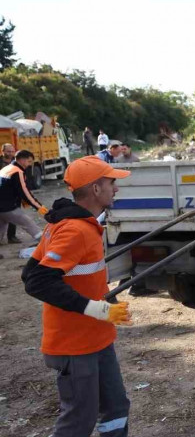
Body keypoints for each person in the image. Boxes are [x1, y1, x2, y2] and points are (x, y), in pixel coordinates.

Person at [22, 155, 134, 436]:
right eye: (111, 183)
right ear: (96, 189)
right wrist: (96, 309)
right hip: (75, 345)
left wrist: (106, 303)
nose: (116, 189)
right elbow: (36, 281)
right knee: (78, 422)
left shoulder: (74, 225)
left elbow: (31, 271)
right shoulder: (74, 230)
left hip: (96, 338)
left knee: (117, 408)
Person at [0, 150, 49, 250]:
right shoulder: (18, 172)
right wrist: (41, 208)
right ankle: (48, 244)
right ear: (22, 160)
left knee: (1, 228)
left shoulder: (7, 168)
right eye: (29, 161)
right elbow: (25, 193)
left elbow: (11, 188)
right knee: (28, 223)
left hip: (3, 206)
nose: (30, 164)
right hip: (8, 207)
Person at [0, 143, 20, 244]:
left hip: (13, 193)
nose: (11, 153)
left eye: (12, 151)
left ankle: (11, 236)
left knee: (14, 215)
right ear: (2, 151)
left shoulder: (15, 163)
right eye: (8, 151)